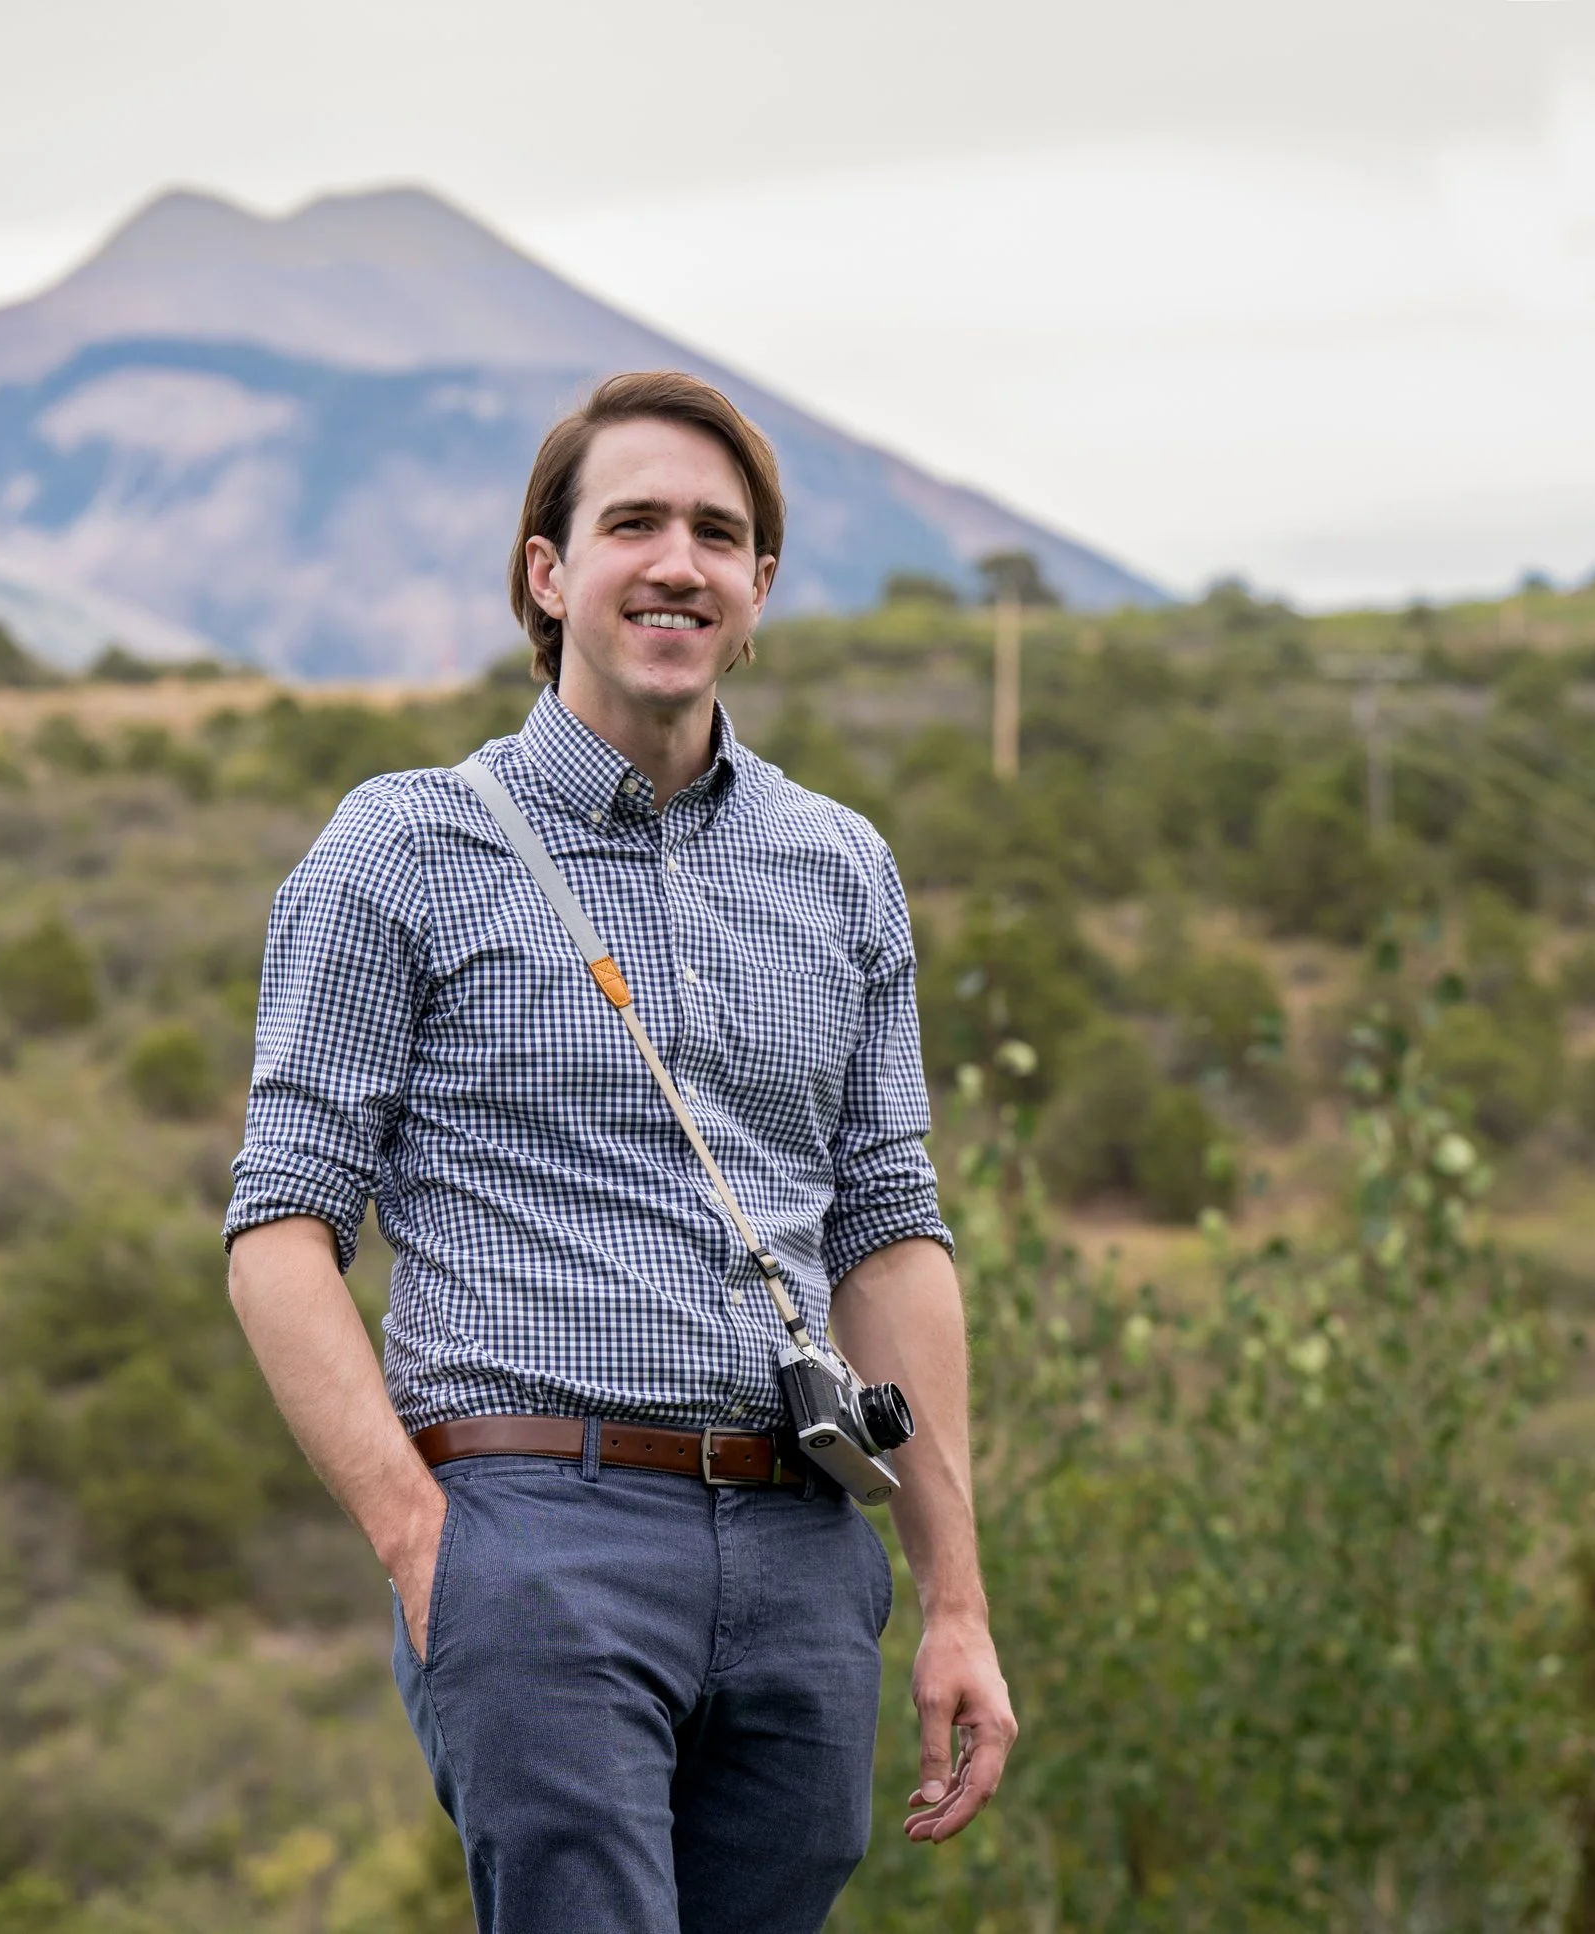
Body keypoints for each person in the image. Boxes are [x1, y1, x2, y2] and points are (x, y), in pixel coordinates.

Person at [224, 369, 1015, 1933]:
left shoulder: (841, 866)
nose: (678, 561)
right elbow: (279, 1230)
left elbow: (890, 1235)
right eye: (634, 521)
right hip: (538, 1536)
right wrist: (424, 1542)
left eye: (719, 534)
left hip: (800, 1553)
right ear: (548, 571)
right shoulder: (400, 847)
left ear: (760, 588)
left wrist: (954, 1602)